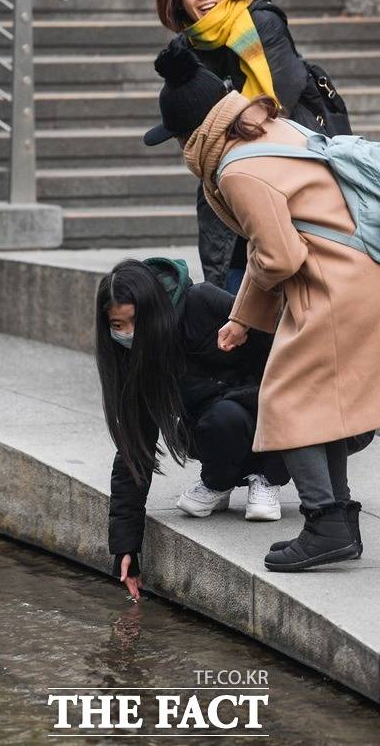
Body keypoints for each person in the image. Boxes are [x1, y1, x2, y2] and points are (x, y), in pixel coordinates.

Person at [143, 51, 380, 573]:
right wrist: (242, 319)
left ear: (195, 133)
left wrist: (243, 314)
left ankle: (325, 521)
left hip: (335, 289)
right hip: (365, 277)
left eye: (179, 138)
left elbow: (279, 256)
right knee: (325, 406)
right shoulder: (275, 131)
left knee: (286, 403)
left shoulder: (237, 170)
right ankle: (341, 523)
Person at [96, 257, 292, 600]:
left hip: (269, 409)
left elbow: (278, 356)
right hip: (208, 428)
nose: (127, 333)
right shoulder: (136, 356)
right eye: (117, 324)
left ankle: (266, 476)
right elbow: (135, 449)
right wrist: (125, 547)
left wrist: (231, 396)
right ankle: (219, 481)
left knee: (227, 415)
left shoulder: (203, 303)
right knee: (218, 421)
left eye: (134, 322)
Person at [150, 0, 351, 291]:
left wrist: (219, 127)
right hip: (225, 176)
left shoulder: (263, 22)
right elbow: (196, 131)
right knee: (229, 285)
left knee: (297, 284)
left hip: (288, 164)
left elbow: (276, 103)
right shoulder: (185, 51)